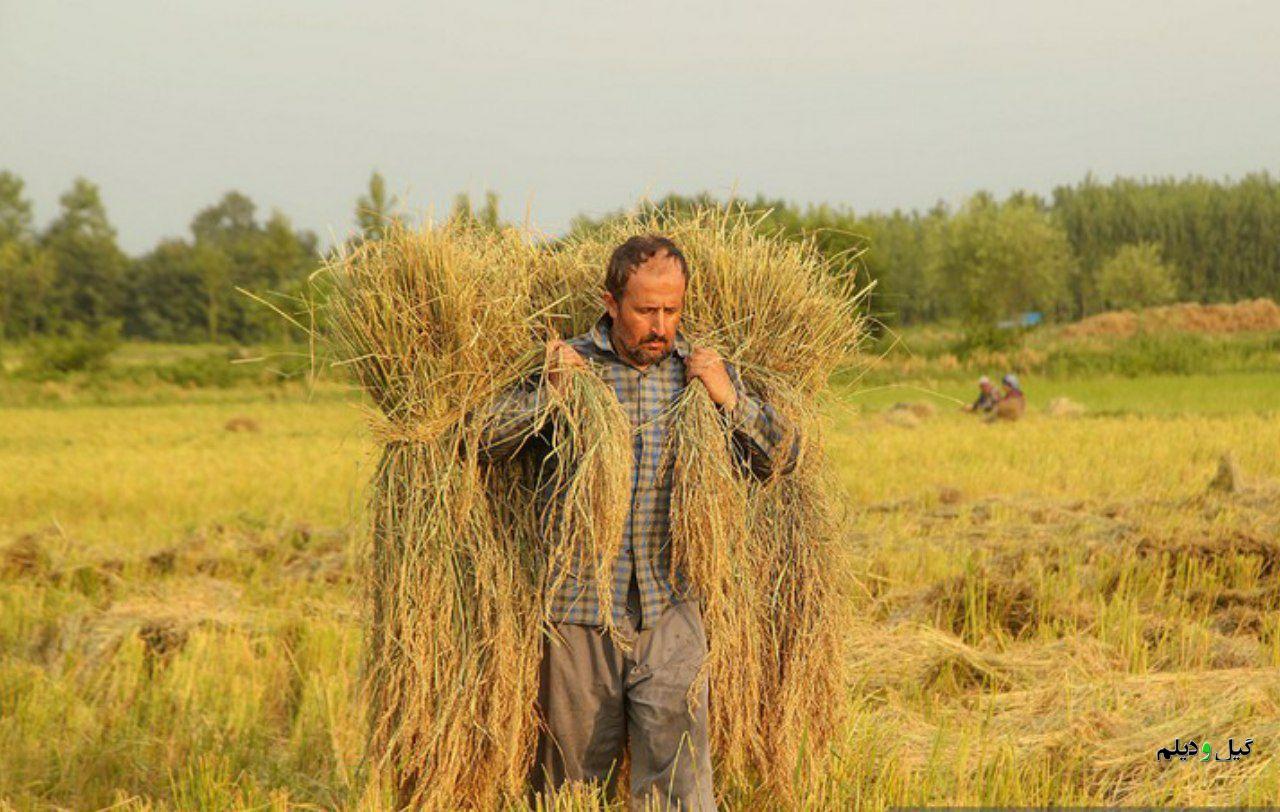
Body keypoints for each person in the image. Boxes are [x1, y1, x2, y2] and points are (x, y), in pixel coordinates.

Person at [478, 234, 800, 810]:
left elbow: (780, 459)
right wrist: (546, 398)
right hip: (579, 610)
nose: (660, 325)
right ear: (610, 302)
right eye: (645, 310)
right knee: (569, 787)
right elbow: (483, 443)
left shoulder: (699, 373)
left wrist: (730, 399)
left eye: (671, 310)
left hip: (670, 606)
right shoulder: (569, 365)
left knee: (678, 786)